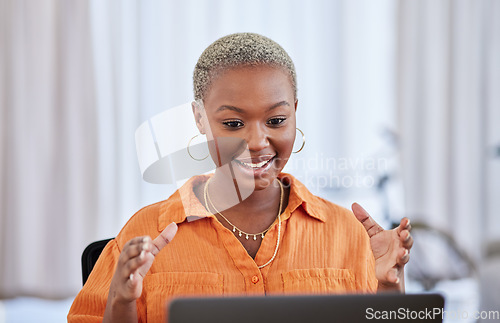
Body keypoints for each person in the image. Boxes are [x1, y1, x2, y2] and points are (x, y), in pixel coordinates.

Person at [68, 33, 413, 323]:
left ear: (295, 110)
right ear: (200, 119)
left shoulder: (347, 234)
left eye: (276, 120)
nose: (257, 142)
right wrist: (121, 303)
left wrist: (388, 292)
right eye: (233, 124)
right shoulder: (147, 232)